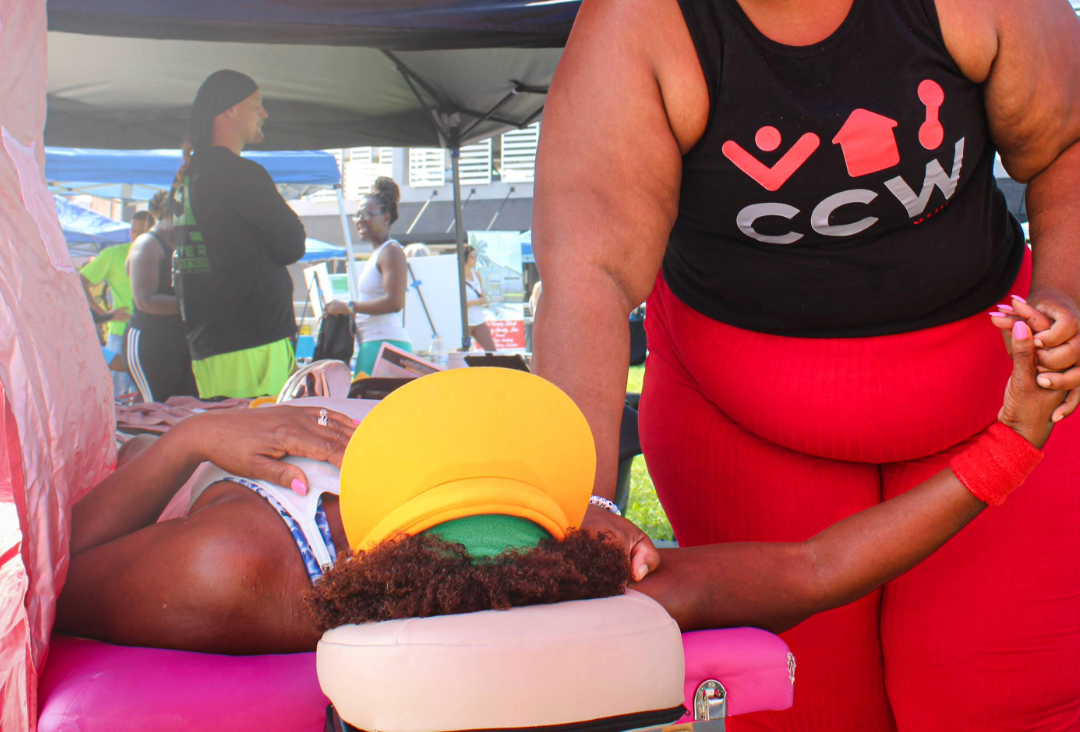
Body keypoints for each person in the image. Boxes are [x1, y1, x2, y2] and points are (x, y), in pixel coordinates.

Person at [531, 0, 1080, 729]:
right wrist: (587, 496)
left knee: (1002, 697)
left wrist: (1063, 295)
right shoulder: (641, 21)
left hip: (991, 395)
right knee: (801, 706)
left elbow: (1065, 146)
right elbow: (588, 273)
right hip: (747, 419)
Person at [55, 318, 1060, 657]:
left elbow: (55, 582)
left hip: (279, 427)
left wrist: (191, 442)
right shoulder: (581, 581)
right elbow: (816, 568)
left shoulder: (236, 570)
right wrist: (1012, 443)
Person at [172, 70, 307, 399]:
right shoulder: (239, 173)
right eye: (256, 104)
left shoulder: (188, 176)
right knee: (259, 429)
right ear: (229, 110)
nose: (264, 113)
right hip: (251, 343)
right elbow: (292, 245)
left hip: (216, 343)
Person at [324, 178, 412, 377]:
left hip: (384, 346)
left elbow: (394, 302)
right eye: (357, 215)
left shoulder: (391, 251)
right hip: (374, 345)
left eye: (367, 214)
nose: (360, 220)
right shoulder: (380, 253)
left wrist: (349, 307)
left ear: (386, 218)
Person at [125, 191, 197, 402]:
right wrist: (199, 305)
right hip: (152, 342)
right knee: (157, 409)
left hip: (184, 342)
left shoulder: (186, 243)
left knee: (187, 410)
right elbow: (145, 300)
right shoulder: (148, 244)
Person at [79, 209, 153, 360]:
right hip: (121, 332)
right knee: (117, 375)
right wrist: (103, 314)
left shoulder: (163, 254)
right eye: (133, 231)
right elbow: (80, 281)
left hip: (153, 333)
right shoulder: (113, 254)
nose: (136, 236)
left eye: (141, 232)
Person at [463, 245, 496, 351]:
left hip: (479, 321)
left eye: (476, 255)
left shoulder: (476, 275)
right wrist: (476, 302)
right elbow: (458, 304)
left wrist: (484, 301)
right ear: (464, 258)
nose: (475, 258)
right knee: (463, 352)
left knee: (492, 351)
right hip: (465, 324)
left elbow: (481, 295)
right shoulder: (458, 278)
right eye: (472, 256)